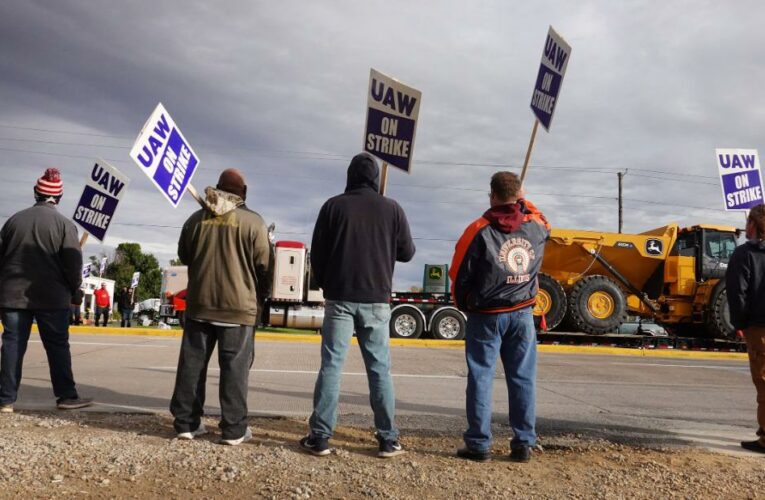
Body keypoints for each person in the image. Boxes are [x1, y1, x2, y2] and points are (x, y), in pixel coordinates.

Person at [299, 153, 415, 458]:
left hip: (339, 299)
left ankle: (320, 436)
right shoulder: (392, 208)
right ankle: (388, 439)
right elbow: (407, 253)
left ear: (349, 176)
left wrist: (325, 283)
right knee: (379, 371)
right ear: (376, 178)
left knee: (332, 367)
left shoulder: (333, 206)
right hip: (377, 300)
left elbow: (318, 255)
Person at [449, 171, 550, 463]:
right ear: (520, 195)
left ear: (491, 196)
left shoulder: (478, 229)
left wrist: (464, 304)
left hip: (486, 314)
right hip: (521, 313)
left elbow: (458, 273)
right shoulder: (536, 226)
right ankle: (522, 444)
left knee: (481, 377)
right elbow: (546, 222)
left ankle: (479, 444)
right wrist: (524, 200)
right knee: (522, 378)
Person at [170, 169, 272, 445]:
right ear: (244, 193)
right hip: (239, 309)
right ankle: (234, 429)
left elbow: (184, 255)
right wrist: (261, 298)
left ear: (217, 188)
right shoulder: (254, 223)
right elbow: (265, 266)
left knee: (192, 366)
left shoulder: (195, 220)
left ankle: (186, 424)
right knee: (234, 370)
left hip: (199, 305)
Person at [0, 168, 93, 413]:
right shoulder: (65, 225)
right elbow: (74, 265)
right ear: (59, 197)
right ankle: (65, 396)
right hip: (53, 298)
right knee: (57, 346)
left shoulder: (13, 221)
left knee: (12, 345)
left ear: (36, 193)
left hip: (12, 296)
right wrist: (76, 291)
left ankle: (6, 400)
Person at [726, 203, 765, 453]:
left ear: (753, 224)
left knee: (763, 381)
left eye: (749, 222)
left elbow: (737, 292)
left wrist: (739, 323)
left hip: (759, 327)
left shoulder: (744, 254)